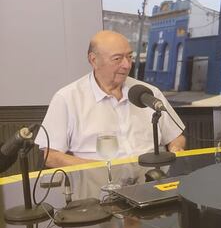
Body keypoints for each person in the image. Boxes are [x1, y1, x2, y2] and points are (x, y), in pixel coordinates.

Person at [36, 30, 186, 168]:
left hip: (151, 179)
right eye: (117, 58)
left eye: (129, 57)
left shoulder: (149, 93)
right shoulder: (68, 98)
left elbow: (175, 136)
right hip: (98, 186)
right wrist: (100, 170)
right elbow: (51, 156)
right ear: (93, 60)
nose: (127, 65)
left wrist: (175, 148)